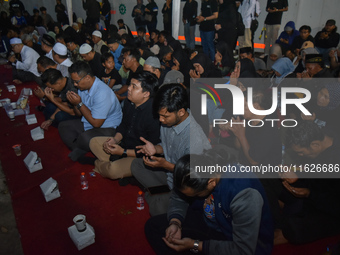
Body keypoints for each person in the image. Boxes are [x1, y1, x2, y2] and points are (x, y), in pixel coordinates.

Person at [145, 149, 274, 255]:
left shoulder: (244, 194)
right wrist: (175, 222)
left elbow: (243, 250)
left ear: (211, 182)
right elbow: (179, 197)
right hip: (211, 221)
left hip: (234, 241)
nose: (192, 196)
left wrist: (195, 245)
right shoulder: (203, 165)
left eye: (196, 194)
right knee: (153, 226)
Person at [131, 84, 211, 216]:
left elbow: (192, 175)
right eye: (159, 115)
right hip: (169, 175)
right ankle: (160, 193)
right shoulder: (168, 121)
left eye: (165, 116)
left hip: (186, 183)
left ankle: (160, 195)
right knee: (136, 165)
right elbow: (167, 145)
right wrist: (155, 149)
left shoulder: (194, 138)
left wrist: (165, 165)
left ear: (181, 112)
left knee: (157, 208)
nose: (161, 120)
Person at [269, 121, 340, 244]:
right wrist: (297, 178)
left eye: (301, 152)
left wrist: (308, 193)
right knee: (269, 181)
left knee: (294, 228)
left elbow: (333, 202)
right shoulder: (325, 137)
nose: (300, 156)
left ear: (315, 145)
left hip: (330, 208)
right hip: (314, 194)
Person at [89, 71, 160, 178]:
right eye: (130, 84)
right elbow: (123, 126)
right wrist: (115, 140)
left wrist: (123, 152)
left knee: (113, 170)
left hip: (138, 156)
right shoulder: (128, 102)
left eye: (134, 87)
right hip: (123, 144)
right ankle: (114, 164)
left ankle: (102, 164)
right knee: (93, 142)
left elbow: (149, 150)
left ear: (146, 94)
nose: (128, 88)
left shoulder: (154, 115)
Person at [58, 61, 122, 162]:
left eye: (76, 81)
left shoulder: (102, 92)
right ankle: (80, 149)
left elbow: (97, 123)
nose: (75, 84)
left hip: (108, 127)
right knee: (63, 126)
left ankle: (82, 149)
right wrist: (75, 104)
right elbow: (79, 114)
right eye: (73, 81)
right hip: (89, 121)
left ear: (87, 78)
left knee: (84, 138)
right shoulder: (82, 87)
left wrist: (79, 104)